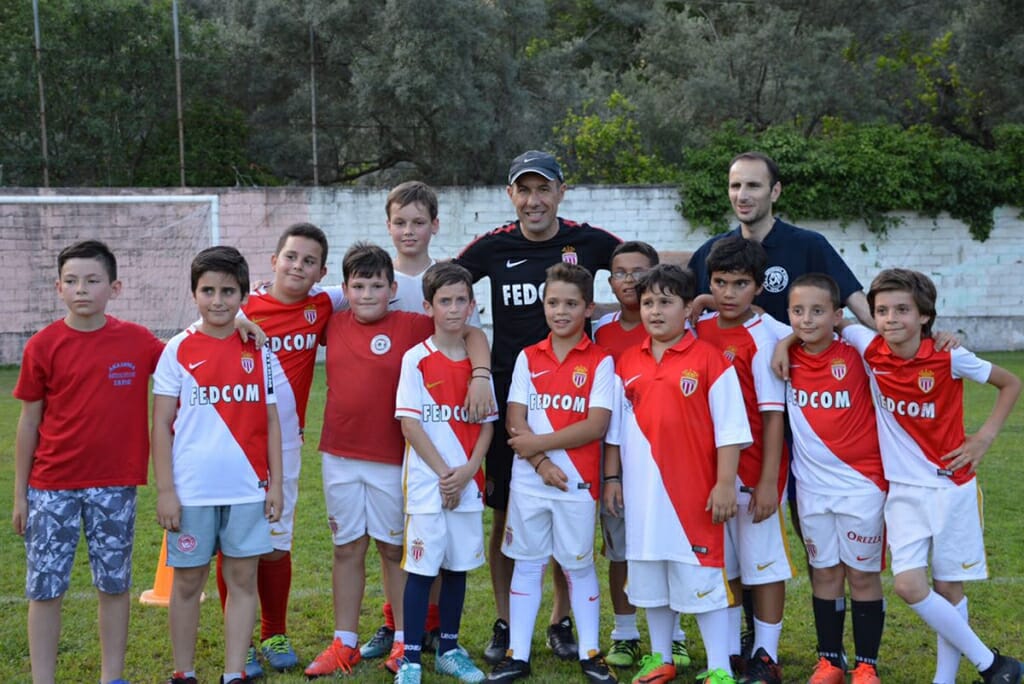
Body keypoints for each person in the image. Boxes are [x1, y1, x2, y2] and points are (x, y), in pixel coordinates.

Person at [455, 150, 621, 663]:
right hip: (514, 405)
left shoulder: (591, 242)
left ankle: (560, 620)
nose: (534, 200)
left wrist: (697, 301)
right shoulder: (492, 246)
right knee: (508, 515)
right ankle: (507, 621)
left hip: (573, 404)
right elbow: (444, 290)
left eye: (543, 189)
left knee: (570, 517)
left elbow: (645, 270)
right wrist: (479, 365)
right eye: (523, 190)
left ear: (560, 192)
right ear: (511, 196)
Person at [304, 243, 492, 679]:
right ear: (345, 289)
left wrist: (481, 374)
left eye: (376, 286)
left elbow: (469, 332)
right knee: (346, 547)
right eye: (358, 286)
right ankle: (344, 643)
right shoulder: (331, 321)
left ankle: (404, 643)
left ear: (392, 289)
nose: (367, 294)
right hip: (338, 454)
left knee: (394, 550)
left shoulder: (411, 326)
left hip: (394, 459)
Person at [834, 269, 1022, 684]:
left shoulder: (948, 355)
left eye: (902, 310)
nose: (890, 319)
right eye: (881, 310)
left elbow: (1011, 382)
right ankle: (992, 664)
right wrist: (793, 339)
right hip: (903, 493)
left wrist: (984, 438)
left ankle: (944, 679)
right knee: (909, 585)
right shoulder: (869, 347)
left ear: (924, 316)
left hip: (951, 487)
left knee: (949, 589)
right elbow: (832, 319)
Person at [12, 240, 165, 684]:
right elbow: (27, 424)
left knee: (114, 585)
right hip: (50, 488)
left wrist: (238, 321)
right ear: (59, 288)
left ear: (114, 287)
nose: (82, 289)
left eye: (93, 280)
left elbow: (188, 356)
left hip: (115, 487)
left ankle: (111, 676)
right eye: (72, 281)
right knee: (45, 589)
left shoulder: (137, 341)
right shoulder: (43, 346)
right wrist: (20, 495)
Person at [208, 222, 345, 677]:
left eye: (309, 261)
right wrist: (238, 316)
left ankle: (274, 631)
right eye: (291, 257)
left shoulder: (323, 304)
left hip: (286, 444)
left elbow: (378, 288)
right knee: (236, 541)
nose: (298, 266)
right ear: (274, 260)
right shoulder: (242, 305)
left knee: (275, 542)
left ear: (321, 272)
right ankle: (240, 641)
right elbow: (201, 324)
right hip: (236, 444)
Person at [603, 264, 751, 684]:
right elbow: (615, 431)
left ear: (689, 309)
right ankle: (660, 657)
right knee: (650, 582)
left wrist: (725, 484)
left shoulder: (709, 361)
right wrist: (612, 479)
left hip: (693, 497)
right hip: (642, 495)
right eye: (648, 302)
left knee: (701, 583)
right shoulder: (628, 362)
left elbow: (731, 431)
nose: (654, 311)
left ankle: (720, 666)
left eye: (666, 302)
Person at [363, 181, 484, 661]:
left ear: (435, 225)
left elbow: (472, 330)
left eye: (418, 222)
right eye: (400, 222)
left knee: (437, 536)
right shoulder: (375, 275)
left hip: (443, 418)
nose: (409, 230)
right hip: (393, 416)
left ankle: (431, 629)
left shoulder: (448, 277)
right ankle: (396, 627)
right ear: (388, 225)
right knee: (395, 535)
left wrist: (478, 372)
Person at [152, 246, 284, 684]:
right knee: (188, 584)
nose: (218, 300)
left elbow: (271, 420)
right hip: (193, 493)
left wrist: (276, 485)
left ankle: (233, 673)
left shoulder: (258, 348)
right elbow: (161, 423)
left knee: (243, 581)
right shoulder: (177, 349)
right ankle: (183, 672)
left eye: (228, 291)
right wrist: (166, 491)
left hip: (248, 489)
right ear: (194, 294)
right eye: (208, 290)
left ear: (244, 294)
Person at [486, 263, 616, 683]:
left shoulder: (601, 362)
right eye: (553, 302)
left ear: (589, 309)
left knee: (577, 566)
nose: (561, 311)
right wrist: (540, 465)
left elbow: (594, 426)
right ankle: (517, 655)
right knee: (527, 565)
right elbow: (514, 419)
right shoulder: (528, 356)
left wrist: (538, 448)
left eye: (571, 304)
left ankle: (592, 654)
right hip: (530, 482)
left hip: (577, 483)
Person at [393, 262, 498, 684]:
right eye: (445, 301)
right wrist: (444, 475)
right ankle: (412, 658)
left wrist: (469, 471)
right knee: (421, 569)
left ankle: (450, 649)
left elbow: (487, 425)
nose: (454, 309)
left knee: (456, 568)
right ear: (428, 306)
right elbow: (410, 424)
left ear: (473, 305)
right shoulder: (416, 360)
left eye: (461, 301)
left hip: (468, 484)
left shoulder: (479, 369)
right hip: (428, 485)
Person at [694, 236, 790, 684]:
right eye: (720, 282)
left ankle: (765, 654)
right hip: (710, 476)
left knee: (763, 566)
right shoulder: (699, 327)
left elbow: (773, 418)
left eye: (740, 283)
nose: (729, 292)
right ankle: (731, 652)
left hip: (754, 475)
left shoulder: (768, 335)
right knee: (723, 566)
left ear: (758, 286)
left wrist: (769, 481)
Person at [783, 274, 887, 684]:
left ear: (837, 315)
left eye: (818, 311)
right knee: (824, 571)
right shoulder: (785, 355)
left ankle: (866, 665)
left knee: (861, 575)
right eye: (797, 311)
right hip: (811, 488)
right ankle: (829, 661)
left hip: (862, 484)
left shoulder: (858, 352)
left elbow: (884, 339)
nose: (807, 320)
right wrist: (783, 342)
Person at [593, 241, 692, 671]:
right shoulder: (601, 331)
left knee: (674, 548)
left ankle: (675, 636)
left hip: (673, 461)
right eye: (620, 272)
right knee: (624, 550)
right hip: (620, 458)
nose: (629, 280)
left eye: (639, 272)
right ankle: (626, 633)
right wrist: (610, 475)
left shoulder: (682, 328)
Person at [687, 151, 872, 327]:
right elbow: (676, 308)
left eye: (753, 186)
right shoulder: (712, 251)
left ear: (775, 191)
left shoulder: (809, 246)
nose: (742, 196)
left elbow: (862, 309)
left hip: (791, 360)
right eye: (735, 186)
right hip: (727, 360)